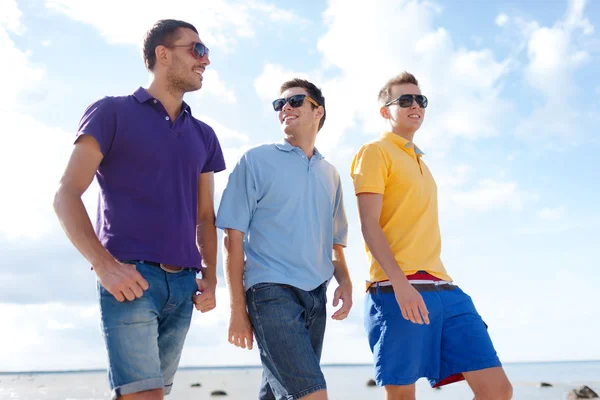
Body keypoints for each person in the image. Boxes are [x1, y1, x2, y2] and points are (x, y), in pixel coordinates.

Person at [53, 19, 225, 400]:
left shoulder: (204, 135)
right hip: (130, 279)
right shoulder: (111, 113)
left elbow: (205, 217)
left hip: (183, 287)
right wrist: (104, 265)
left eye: (206, 51)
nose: (205, 60)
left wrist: (211, 278)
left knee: (144, 395)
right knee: (146, 396)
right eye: (196, 49)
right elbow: (65, 194)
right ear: (163, 55)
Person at [350, 72, 513, 400]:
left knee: (497, 390)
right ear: (385, 111)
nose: (415, 106)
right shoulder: (375, 151)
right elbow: (369, 224)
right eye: (405, 100)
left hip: (445, 288)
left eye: (420, 100)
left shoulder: (420, 160)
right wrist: (400, 285)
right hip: (397, 289)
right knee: (402, 396)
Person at [216, 78, 353, 400]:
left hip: (316, 294)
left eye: (294, 101)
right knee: (311, 394)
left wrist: (344, 280)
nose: (285, 109)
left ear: (318, 110)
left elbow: (335, 242)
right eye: (279, 105)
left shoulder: (330, 173)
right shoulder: (256, 160)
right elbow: (232, 238)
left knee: (279, 394)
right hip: (270, 291)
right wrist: (237, 310)